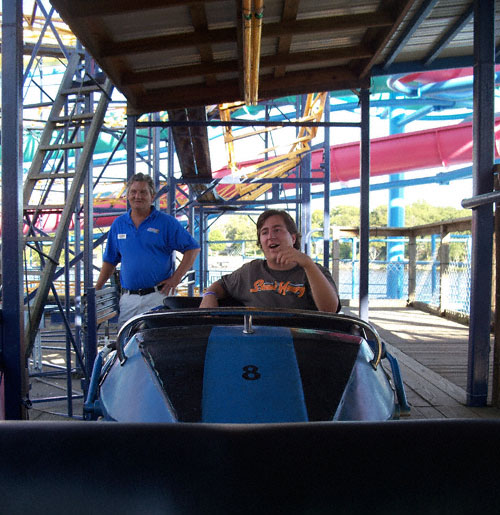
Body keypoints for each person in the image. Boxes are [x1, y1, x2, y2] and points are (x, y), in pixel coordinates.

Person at [95, 173, 200, 327]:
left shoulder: (166, 223)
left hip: (158, 296)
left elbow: (192, 248)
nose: (138, 196)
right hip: (129, 299)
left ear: (152, 196)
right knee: (125, 344)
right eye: (133, 192)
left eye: (143, 192)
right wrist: (96, 290)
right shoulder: (119, 224)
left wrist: (176, 279)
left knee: (158, 341)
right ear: (128, 195)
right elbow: (110, 260)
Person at [199, 209, 340, 313]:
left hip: (299, 344)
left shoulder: (314, 270)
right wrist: (209, 295)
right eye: (264, 232)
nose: (270, 236)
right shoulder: (250, 271)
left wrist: (308, 264)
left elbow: (329, 310)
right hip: (258, 342)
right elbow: (220, 285)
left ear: (293, 238)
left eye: (277, 230)